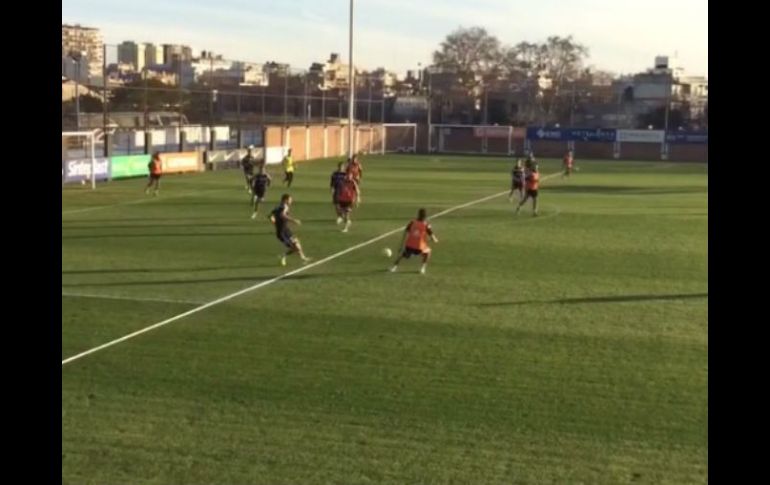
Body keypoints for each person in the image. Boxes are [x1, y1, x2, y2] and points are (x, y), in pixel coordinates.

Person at [389, 208, 439, 275]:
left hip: (409, 245)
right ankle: (422, 268)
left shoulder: (412, 222)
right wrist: (435, 240)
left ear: (418, 215)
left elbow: (406, 232)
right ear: (425, 216)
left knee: (403, 255)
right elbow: (432, 236)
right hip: (419, 247)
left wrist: (402, 244)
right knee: (428, 252)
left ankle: (394, 267)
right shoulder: (426, 225)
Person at [269, 194, 310, 266]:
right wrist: (294, 220)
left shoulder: (278, 207)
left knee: (297, 243)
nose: (291, 201)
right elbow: (283, 215)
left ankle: (303, 258)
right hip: (281, 233)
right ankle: (283, 256)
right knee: (294, 247)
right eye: (290, 199)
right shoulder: (284, 207)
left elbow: (270, 215)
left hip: (286, 230)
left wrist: (273, 220)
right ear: (285, 200)